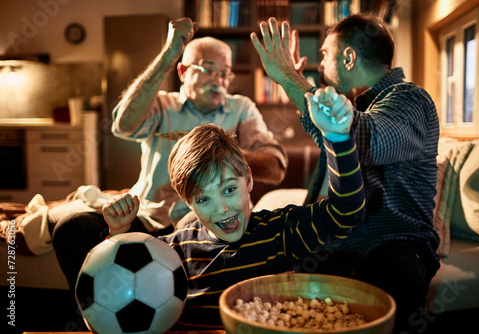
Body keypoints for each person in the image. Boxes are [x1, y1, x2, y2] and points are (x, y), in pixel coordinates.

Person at [52, 17, 287, 329]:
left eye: (225, 73)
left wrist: (214, 150)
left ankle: (178, 323)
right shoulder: (162, 104)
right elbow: (123, 125)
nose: (219, 79)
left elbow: (275, 167)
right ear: (182, 71)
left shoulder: (240, 108)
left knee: (196, 227)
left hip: (195, 219)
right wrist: (168, 53)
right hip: (146, 216)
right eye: (208, 69)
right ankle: (96, 322)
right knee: (71, 225)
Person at [102, 91, 365, 330]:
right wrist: (118, 232)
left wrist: (338, 139)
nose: (222, 208)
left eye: (229, 190)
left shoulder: (280, 231)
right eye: (203, 200)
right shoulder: (172, 253)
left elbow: (346, 212)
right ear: (188, 203)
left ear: (248, 179)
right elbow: (118, 287)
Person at [251, 13, 441, 333]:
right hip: (340, 248)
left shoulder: (410, 99)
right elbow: (326, 126)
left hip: (388, 249)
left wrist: (286, 75)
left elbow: (364, 140)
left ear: (349, 57)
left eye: (325, 55)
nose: (320, 67)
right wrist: (292, 81)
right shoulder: (351, 107)